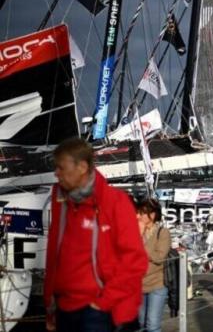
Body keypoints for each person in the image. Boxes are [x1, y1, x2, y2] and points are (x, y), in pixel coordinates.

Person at [44, 138, 148, 332]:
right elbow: (54, 251)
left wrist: (103, 303)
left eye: (61, 167)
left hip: (98, 309)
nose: (56, 173)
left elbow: (135, 260)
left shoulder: (115, 202)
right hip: (64, 307)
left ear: (82, 167)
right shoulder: (61, 200)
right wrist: (49, 302)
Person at [136, 198, 172, 332]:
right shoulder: (134, 230)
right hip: (138, 285)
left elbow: (159, 257)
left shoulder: (162, 232)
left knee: (153, 325)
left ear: (152, 214)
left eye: (142, 213)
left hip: (157, 284)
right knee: (140, 323)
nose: (138, 216)